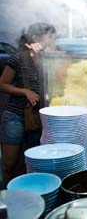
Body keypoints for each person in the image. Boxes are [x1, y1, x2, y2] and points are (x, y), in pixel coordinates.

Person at [0, 22, 57, 187]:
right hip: (15, 116)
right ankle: (6, 198)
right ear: (36, 37)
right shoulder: (19, 57)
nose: (52, 41)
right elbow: (2, 84)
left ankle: (31, 194)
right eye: (50, 36)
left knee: (33, 163)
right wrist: (25, 91)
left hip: (37, 118)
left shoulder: (48, 58)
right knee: (9, 164)